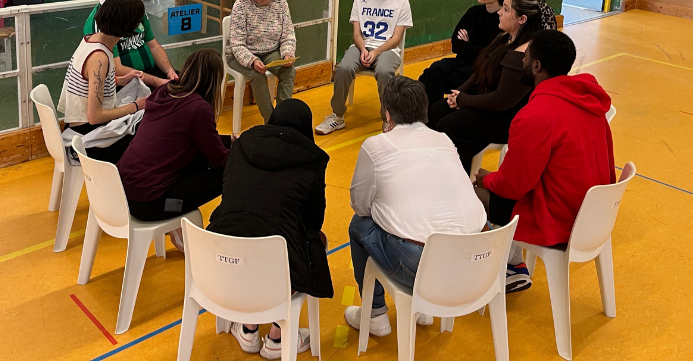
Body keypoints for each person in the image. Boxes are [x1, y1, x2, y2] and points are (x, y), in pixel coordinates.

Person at [473, 30, 615, 293]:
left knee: (469, 196)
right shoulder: (589, 100)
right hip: (593, 215)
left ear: (536, 65)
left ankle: (502, 269)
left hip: (558, 220)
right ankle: (511, 263)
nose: (522, 61)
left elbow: (513, 187)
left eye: (525, 57)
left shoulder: (537, 114)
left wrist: (486, 179)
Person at [344, 76, 487, 336]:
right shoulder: (444, 139)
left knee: (359, 225)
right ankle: (423, 309)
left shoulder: (375, 145)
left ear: (388, 114)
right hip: (479, 263)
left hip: (423, 266)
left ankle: (375, 314)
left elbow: (360, 207)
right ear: (424, 109)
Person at [208, 98, 332, 359]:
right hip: (274, 268)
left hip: (218, 258)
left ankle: (248, 327)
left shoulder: (243, 143)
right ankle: (277, 335)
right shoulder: (312, 159)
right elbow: (313, 222)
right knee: (315, 240)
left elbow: (227, 191)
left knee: (250, 230)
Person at [428, 0, 557, 174]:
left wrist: (463, 100)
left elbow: (500, 100)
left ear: (522, 19)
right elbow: (480, 71)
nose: (499, 12)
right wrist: (458, 94)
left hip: (508, 117)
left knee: (450, 124)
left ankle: (457, 173)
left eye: (506, 9)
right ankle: (442, 164)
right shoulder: (505, 38)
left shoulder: (523, 54)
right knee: (439, 108)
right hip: (490, 104)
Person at [117, 48, 229, 247]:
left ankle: (179, 231)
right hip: (150, 203)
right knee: (233, 171)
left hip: (125, 193)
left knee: (201, 159)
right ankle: (228, 232)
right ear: (214, 80)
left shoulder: (165, 91)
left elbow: (197, 139)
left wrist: (230, 140)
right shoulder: (198, 108)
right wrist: (244, 152)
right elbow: (220, 160)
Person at [316, 0, 413, 135]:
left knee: (384, 72)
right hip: (362, 46)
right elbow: (356, 33)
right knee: (343, 68)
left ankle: (388, 119)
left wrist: (376, 52)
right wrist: (363, 49)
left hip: (387, 49)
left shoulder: (402, 2)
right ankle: (337, 116)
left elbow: (396, 38)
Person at [58, 0, 149, 164]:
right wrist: (136, 106)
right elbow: (95, 116)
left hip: (77, 124)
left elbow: (88, 83)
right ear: (130, 27)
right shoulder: (99, 57)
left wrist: (120, 80)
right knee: (150, 130)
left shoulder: (90, 40)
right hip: (87, 136)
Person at [418, 0, 515, 103]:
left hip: (480, 69)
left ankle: (440, 110)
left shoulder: (504, 22)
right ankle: (430, 114)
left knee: (430, 79)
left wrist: (468, 45)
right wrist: (476, 48)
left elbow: (492, 55)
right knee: (434, 70)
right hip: (460, 61)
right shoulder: (473, 12)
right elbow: (456, 45)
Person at [84, 0, 178, 89]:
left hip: (152, 74)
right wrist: (157, 82)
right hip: (127, 84)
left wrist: (169, 71)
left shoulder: (135, 9)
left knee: (192, 85)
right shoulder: (102, 21)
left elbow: (153, 45)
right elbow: (116, 69)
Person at [227, 0, 297, 125]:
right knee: (257, 75)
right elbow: (237, 44)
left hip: (270, 51)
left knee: (289, 71)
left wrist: (287, 53)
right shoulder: (240, 6)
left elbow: (288, 34)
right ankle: (271, 122)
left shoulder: (281, 4)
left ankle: (283, 117)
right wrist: (252, 61)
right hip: (240, 55)